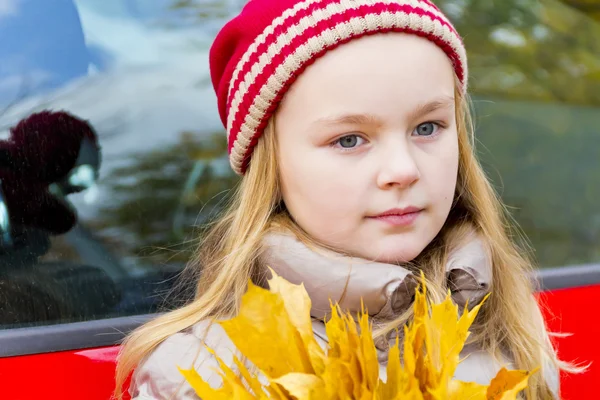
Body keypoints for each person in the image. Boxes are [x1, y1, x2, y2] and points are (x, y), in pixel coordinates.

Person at [114, 0, 567, 398]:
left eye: (426, 128)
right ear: (272, 167)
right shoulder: (201, 372)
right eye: (350, 139)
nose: (403, 170)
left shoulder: (507, 324)